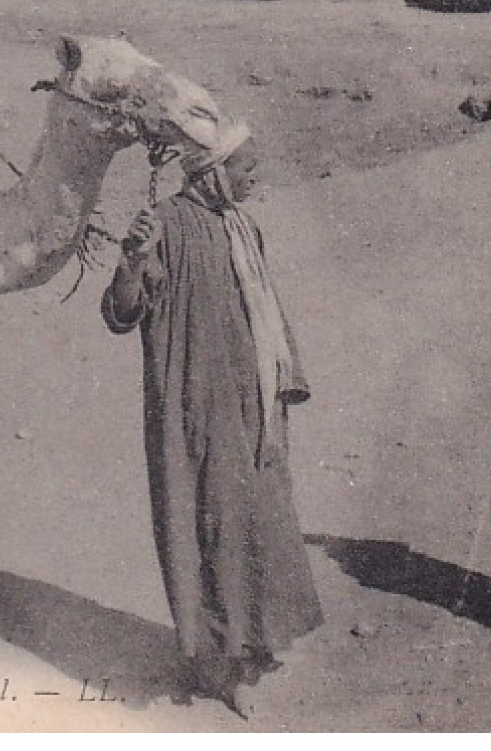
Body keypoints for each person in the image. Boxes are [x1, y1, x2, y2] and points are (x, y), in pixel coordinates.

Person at [101, 117, 323, 716]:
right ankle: (215, 667)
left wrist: (283, 381)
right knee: (210, 526)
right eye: (247, 169)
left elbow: (269, 311)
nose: (256, 179)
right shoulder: (166, 225)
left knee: (261, 519)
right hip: (195, 408)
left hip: (253, 405)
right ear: (213, 170)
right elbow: (122, 314)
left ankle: (255, 644)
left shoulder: (243, 228)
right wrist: (131, 259)